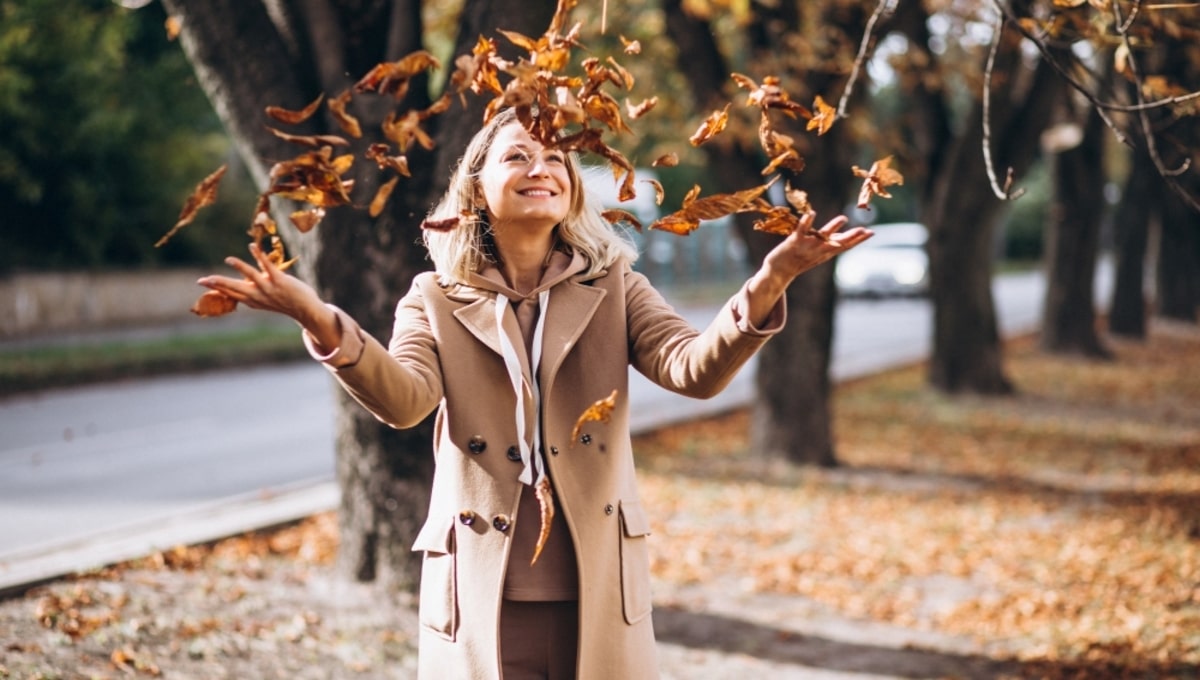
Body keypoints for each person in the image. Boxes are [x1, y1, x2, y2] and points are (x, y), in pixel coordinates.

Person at [198, 106, 872, 680]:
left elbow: (692, 369)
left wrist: (770, 282)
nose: (540, 168)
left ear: (572, 190)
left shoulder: (617, 286)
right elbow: (405, 400)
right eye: (517, 155)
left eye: (554, 158)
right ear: (476, 188)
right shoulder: (433, 297)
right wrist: (318, 318)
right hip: (480, 593)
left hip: (596, 587)